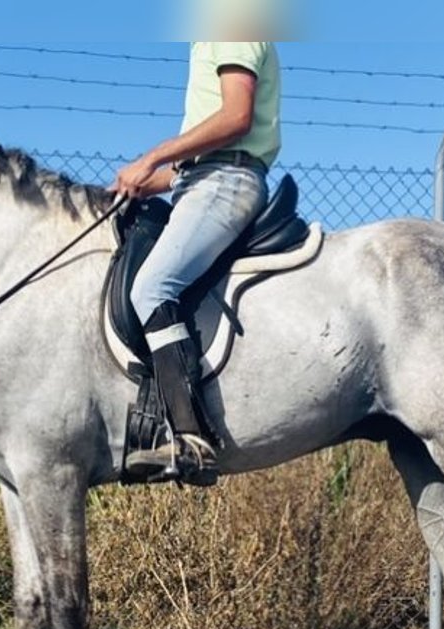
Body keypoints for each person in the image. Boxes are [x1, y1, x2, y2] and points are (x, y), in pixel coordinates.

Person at [112, 41, 281, 482]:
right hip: (206, 179)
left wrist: (152, 157)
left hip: (226, 182)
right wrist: (157, 182)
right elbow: (202, 158)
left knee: (151, 286)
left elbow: (236, 117)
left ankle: (190, 439)